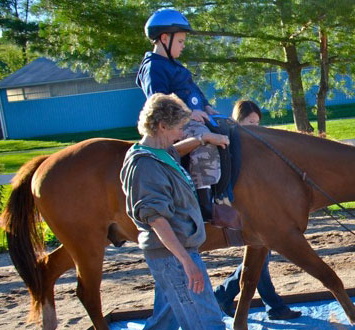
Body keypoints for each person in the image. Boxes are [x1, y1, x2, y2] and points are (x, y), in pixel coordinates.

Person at [120, 93, 227, 329]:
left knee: (179, 319)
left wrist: (202, 139)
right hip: (174, 256)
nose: (181, 133)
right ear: (162, 125)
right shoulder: (145, 165)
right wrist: (187, 262)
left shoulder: (160, 153)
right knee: (207, 322)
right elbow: (157, 220)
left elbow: (175, 152)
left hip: (178, 253)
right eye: (179, 128)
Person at [213, 100, 302, 320]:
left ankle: (225, 295)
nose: (255, 128)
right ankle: (272, 306)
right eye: (249, 123)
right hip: (243, 212)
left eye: (257, 123)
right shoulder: (232, 147)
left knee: (259, 258)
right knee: (259, 257)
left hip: (261, 212)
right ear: (237, 121)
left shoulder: (257, 147)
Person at [136, 8, 226, 225]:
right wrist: (188, 113)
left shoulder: (174, 65)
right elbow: (159, 103)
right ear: (164, 38)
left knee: (229, 126)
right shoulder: (153, 67)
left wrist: (207, 106)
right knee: (205, 144)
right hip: (174, 124)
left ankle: (227, 189)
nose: (183, 45)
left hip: (194, 116)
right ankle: (205, 204)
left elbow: (193, 90)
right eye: (181, 41)